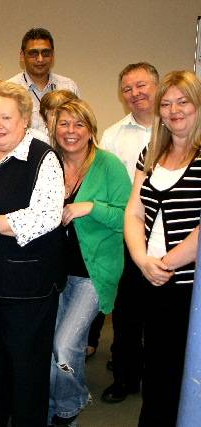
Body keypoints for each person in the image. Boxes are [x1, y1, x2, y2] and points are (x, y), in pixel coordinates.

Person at [0, 81, 65, 426]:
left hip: (25, 287)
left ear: (24, 119)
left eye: (6, 117)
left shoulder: (43, 157)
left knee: (25, 368)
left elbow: (48, 215)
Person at [47, 99, 131, 426]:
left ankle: (68, 408)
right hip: (52, 274)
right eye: (64, 124)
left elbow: (128, 217)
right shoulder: (48, 162)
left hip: (92, 275)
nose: (71, 131)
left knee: (65, 346)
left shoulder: (107, 165)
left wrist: (91, 207)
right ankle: (58, 400)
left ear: (90, 130)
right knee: (50, 347)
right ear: (54, 129)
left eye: (79, 124)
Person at [125, 70, 201, 427]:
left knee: (185, 374)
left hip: (190, 286)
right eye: (167, 103)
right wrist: (143, 261)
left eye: (182, 101)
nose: (173, 110)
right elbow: (134, 212)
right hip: (152, 278)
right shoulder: (152, 151)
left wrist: (167, 263)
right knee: (157, 369)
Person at [99, 62, 159, 404]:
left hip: (174, 238)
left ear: (157, 86)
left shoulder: (184, 129)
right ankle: (124, 377)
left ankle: (159, 373)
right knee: (126, 313)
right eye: (127, 89)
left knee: (164, 314)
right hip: (127, 237)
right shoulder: (113, 135)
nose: (135, 94)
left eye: (141, 86)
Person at [8, 28, 79, 136]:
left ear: (53, 55)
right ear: (22, 55)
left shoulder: (68, 86)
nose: (40, 59)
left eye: (45, 53)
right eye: (33, 53)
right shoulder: (9, 90)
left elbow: (79, 125)